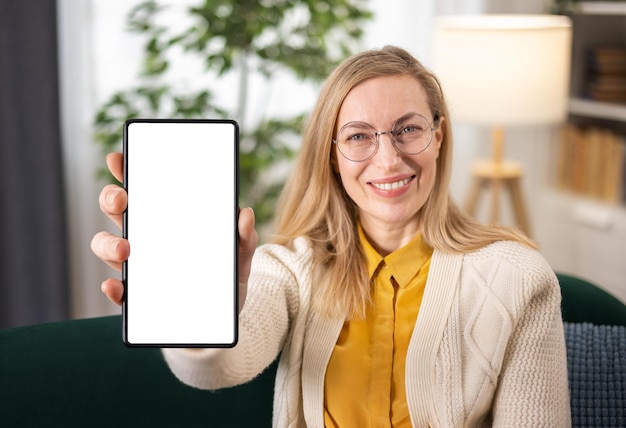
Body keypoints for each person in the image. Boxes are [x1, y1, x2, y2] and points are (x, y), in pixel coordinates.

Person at [91, 45, 571, 427]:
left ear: (439, 136)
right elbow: (213, 368)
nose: (389, 160)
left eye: (408, 129)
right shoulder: (289, 267)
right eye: (360, 136)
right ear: (332, 154)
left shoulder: (518, 278)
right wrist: (200, 301)